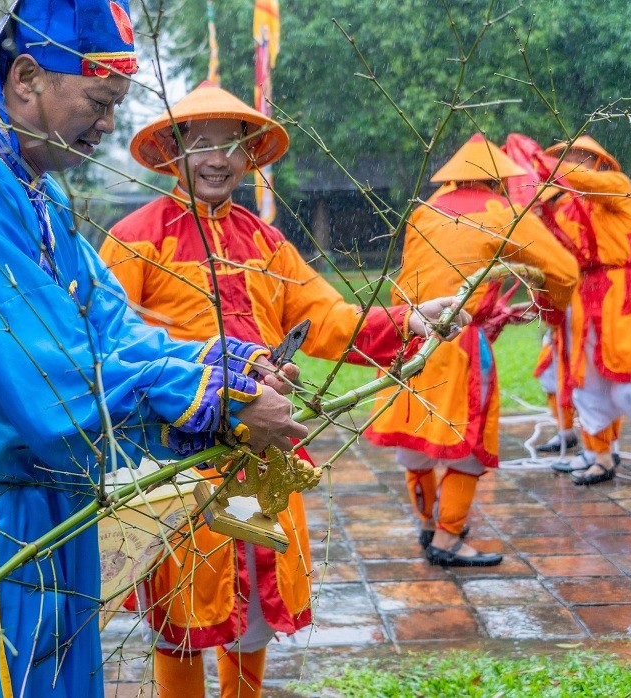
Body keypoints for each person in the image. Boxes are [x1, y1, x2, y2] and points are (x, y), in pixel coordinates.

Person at [0, 5, 309, 697]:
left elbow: (116, 332)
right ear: (26, 78)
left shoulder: (40, 199)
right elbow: (56, 382)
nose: (108, 125)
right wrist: (218, 405)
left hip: (51, 500)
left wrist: (224, 367)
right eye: (101, 102)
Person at [99, 82, 469, 697]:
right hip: (179, 461)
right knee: (183, 608)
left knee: (252, 596)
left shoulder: (267, 243)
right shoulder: (135, 237)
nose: (218, 159)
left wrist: (409, 319)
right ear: (172, 151)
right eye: (203, 144)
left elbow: (325, 320)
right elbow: (112, 347)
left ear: (249, 156)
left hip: (263, 455)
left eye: (233, 145)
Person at [366, 134, 579, 567]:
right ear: (497, 180)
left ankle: (428, 524)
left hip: (407, 338)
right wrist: (551, 306)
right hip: (457, 343)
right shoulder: (503, 213)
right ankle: (448, 540)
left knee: (418, 443)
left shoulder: (424, 211)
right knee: (467, 447)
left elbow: (431, 278)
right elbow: (565, 270)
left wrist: (494, 307)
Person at [536, 135, 631, 488]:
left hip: (624, 291)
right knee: (585, 376)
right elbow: (553, 258)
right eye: (566, 157)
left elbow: (588, 184)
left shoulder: (617, 185)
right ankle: (602, 456)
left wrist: (545, 167)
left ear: (599, 162)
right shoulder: (562, 208)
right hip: (580, 294)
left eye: (580, 157)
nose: (572, 163)